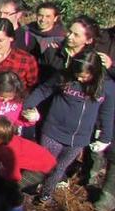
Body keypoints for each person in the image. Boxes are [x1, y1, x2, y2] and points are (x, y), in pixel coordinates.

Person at [22, 50, 115, 202]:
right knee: (44, 164)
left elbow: (107, 113)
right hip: (53, 131)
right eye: (77, 74)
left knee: (59, 169)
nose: (79, 78)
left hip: (79, 138)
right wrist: (28, 107)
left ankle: (46, 195)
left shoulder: (107, 87)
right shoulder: (63, 77)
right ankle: (24, 191)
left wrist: (105, 138)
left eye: (84, 76)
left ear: (95, 72)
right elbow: (43, 91)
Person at [38, 15, 100, 83]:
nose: (69, 36)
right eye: (69, 32)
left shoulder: (91, 60)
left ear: (89, 40)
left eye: (76, 35)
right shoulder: (52, 51)